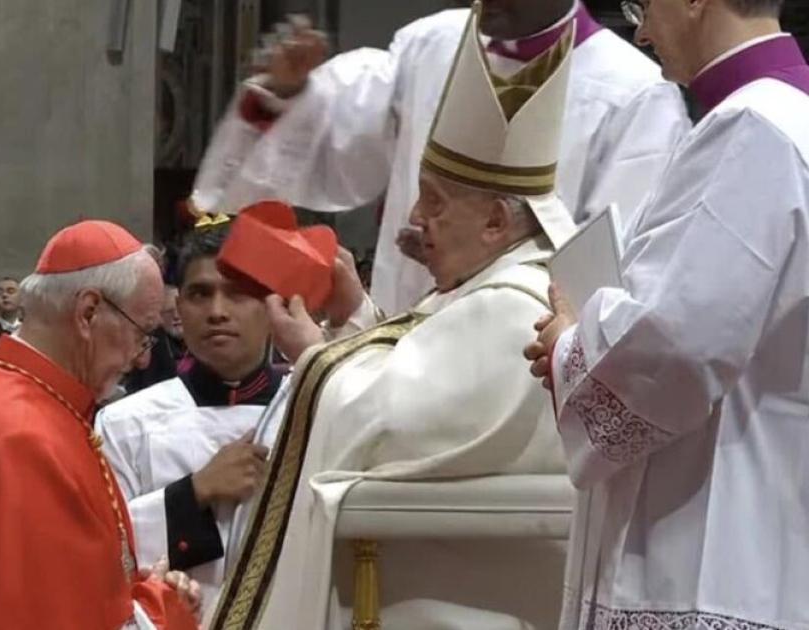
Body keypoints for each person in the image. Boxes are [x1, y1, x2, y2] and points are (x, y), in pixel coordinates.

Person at [213, 8, 578, 628]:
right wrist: (356, 314)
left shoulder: (517, 305)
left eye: (434, 201)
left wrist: (310, 356)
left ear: (496, 222)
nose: (414, 218)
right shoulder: (485, 287)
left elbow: (385, 427)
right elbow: (414, 381)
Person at [524, 1, 809, 627]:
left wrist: (571, 342)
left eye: (644, 6)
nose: (643, 31)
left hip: (710, 544)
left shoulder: (754, 127)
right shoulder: (785, 117)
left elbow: (678, 343)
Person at [192, 0, 691, 315]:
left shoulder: (635, 94)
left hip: (523, 368)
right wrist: (289, 95)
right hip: (397, 336)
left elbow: (611, 266)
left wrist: (471, 261)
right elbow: (343, 151)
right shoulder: (433, 43)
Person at [0, 220, 200, 630]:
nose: (142, 357)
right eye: (142, 333)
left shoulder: (28, 400)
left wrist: (137, 589)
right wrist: (165, 611)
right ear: (88, 312)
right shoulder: (23, 437)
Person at [99, 223, 280, 618]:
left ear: (271, 304)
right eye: (200, 294)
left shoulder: (310, 408)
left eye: (237, 293)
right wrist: (193, 493)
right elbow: (99, 545)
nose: (217, 311)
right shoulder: (125, 422)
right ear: (177, 309)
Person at [124, 285, 186, 394]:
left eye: (179, 309)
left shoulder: (198, 340)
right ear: (159, 316)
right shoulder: (148, 344)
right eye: (168, 312)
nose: (176, 316)